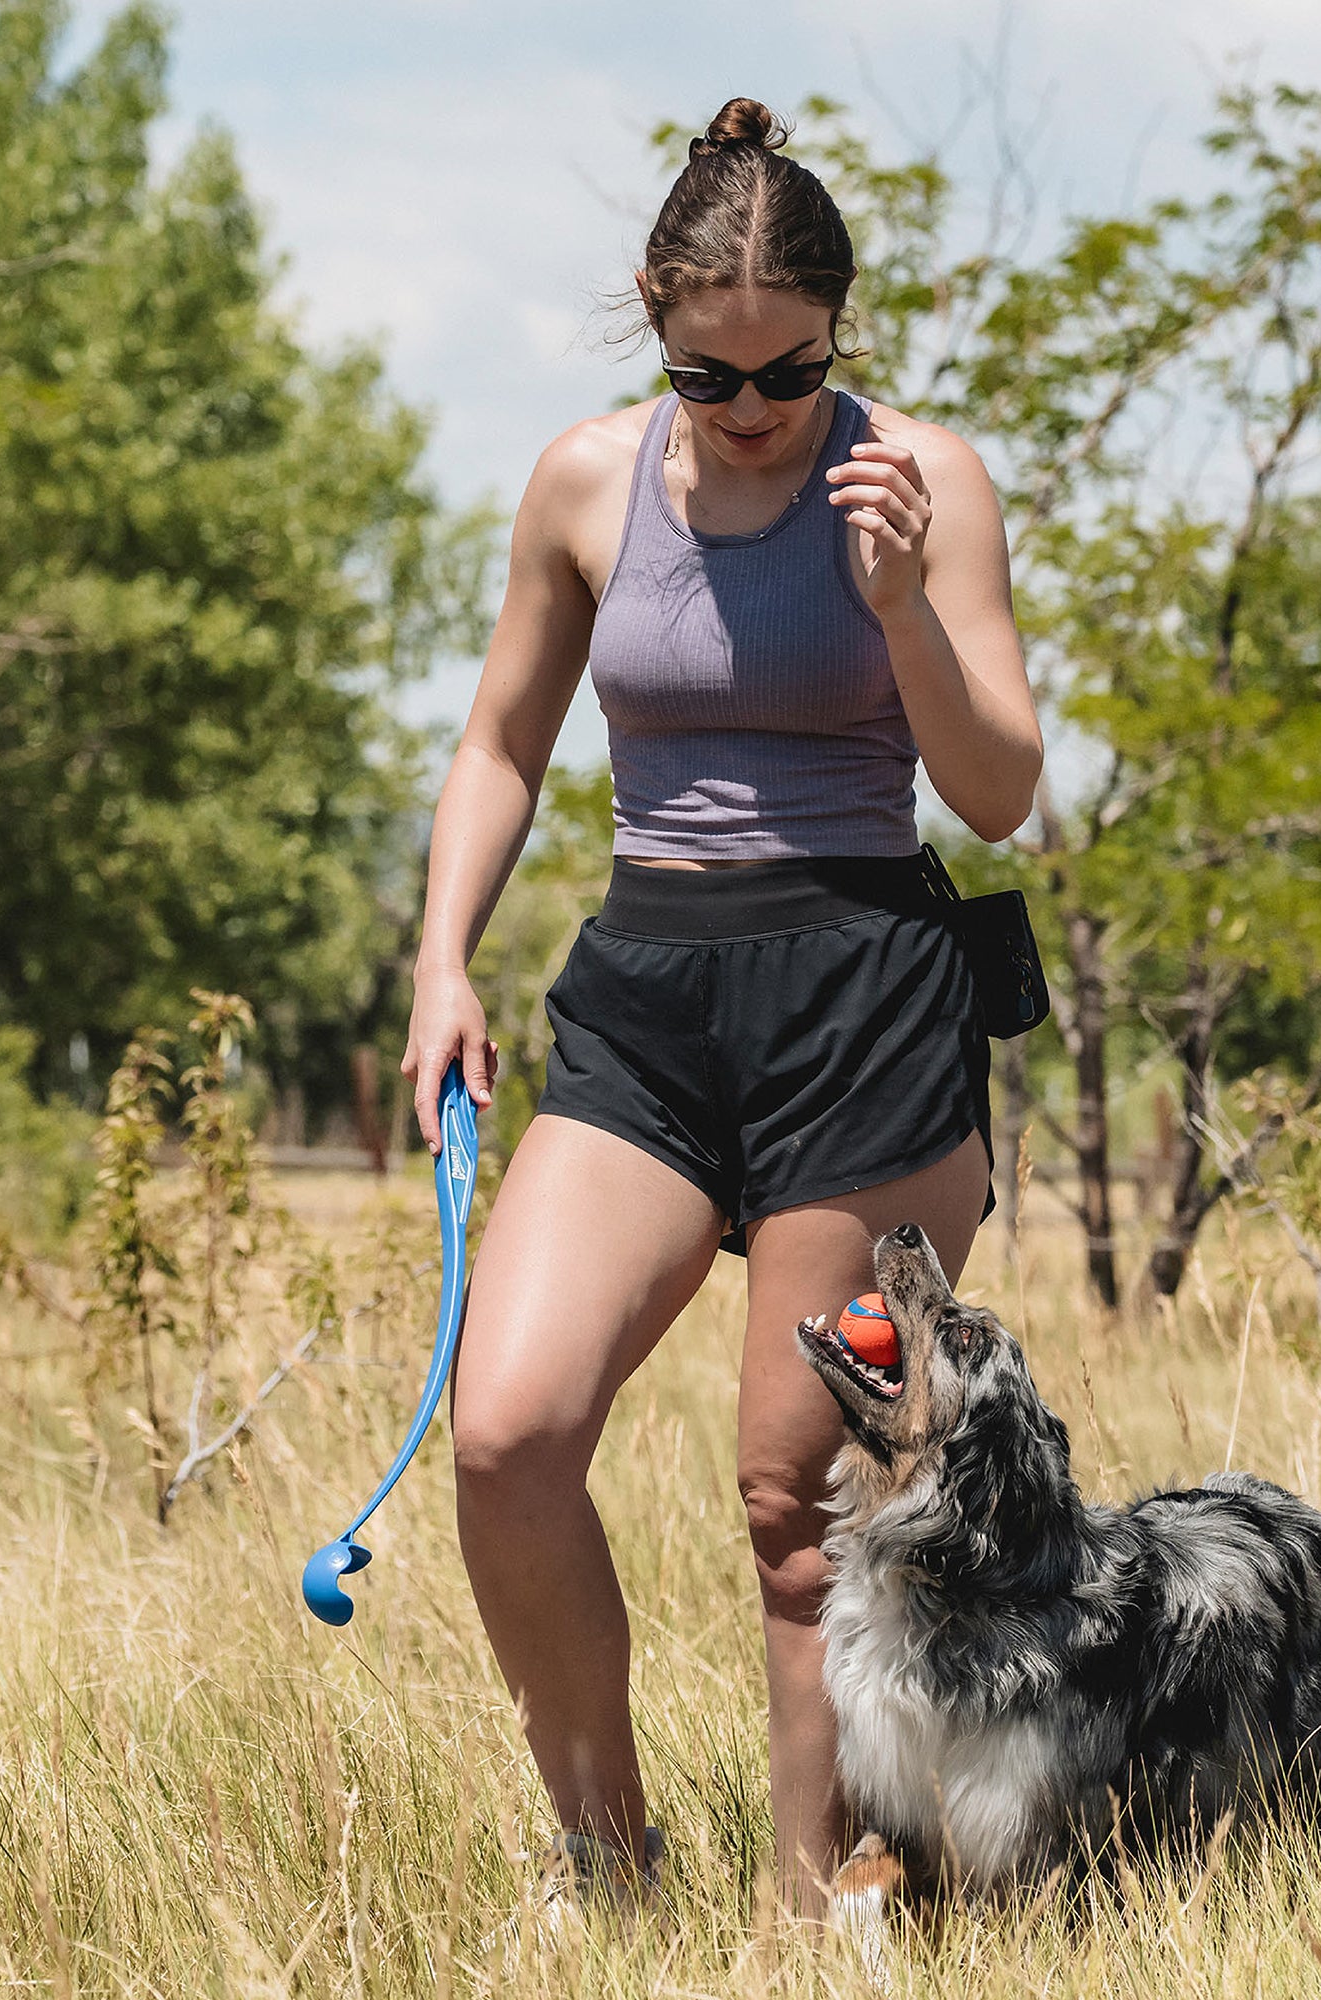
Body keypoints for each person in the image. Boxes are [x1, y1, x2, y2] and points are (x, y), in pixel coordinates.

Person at [399, 96, 1042, 1923]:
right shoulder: (589, 481)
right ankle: (605, 1861)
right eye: (710, 375)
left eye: (790, 371)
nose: (752, 410)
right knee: (510, 1429)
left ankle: (815, 1900)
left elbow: (996, 791)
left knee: (795, 1500)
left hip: (866, 999)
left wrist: (903, 603)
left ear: (842, 333)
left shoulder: (926, 477)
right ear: (653, 322)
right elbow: (501, 743)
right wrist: (446, 961)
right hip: (649, 998)